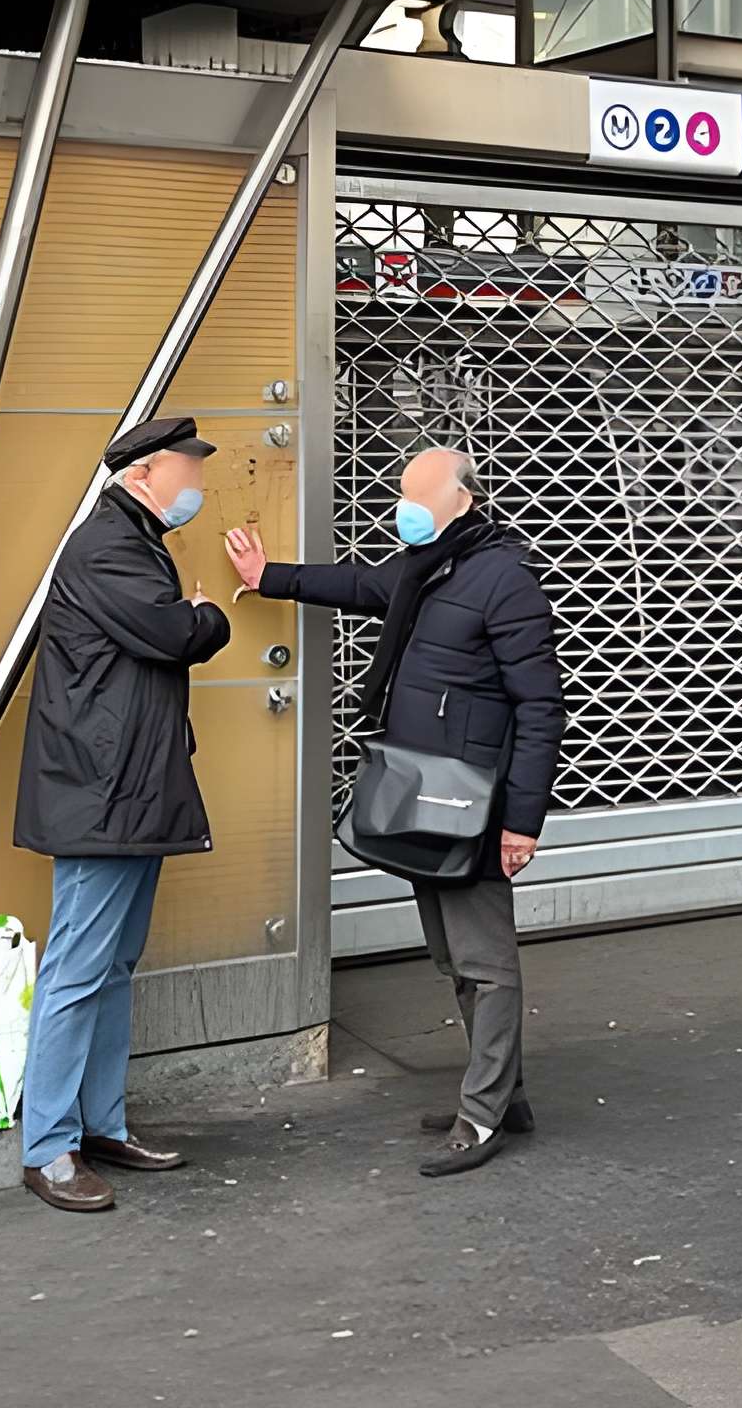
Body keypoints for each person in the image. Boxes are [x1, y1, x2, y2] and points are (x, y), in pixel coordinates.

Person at [226, 448, 564, 1176]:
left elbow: (540, 707)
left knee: (485, 961)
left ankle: (482, 1116)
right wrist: (268, 577)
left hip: (473, 798)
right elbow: (360, 584)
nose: (402, 507)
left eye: (417, 495)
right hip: (420, 790)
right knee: (451, 955)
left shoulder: (504, 578)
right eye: (401, 493)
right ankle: (506, 1094)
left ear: (463, 501)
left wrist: (523, 821)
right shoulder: (429, 563)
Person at [12, 415, 235, 1214]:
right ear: (143, 475)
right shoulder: (108, 545)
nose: (199, 486)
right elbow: (174, 633)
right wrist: (210, 617)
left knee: (112, 965)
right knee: (77, 969)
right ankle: (47, 1147)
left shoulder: (137, 541)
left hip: (127, 791)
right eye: (190, 470)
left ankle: (99, 1125)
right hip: (101, 794)